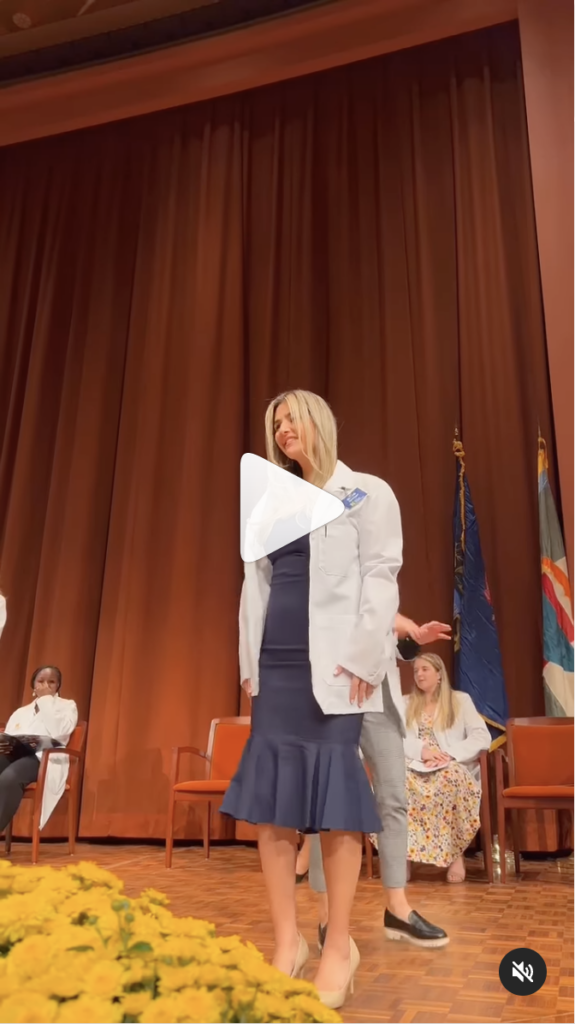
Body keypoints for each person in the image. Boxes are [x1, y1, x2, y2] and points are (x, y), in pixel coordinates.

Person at [222, 389, 402, 1009]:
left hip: (337, 669)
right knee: (273, 805)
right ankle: (287, 942)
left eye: (290, 418)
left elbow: (381, 576)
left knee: (336, 803)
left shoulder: (367, 492)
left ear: (318, 421)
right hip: (277, 666)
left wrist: (363, 656)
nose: (282, 430)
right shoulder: (273, 504)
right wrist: (251, 667)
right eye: (275, 424)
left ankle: (338, 946)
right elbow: (255, 586)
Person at [308, 615, 451, 950]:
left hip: (379, 694)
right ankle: (326, 914)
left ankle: (397, 906)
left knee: (394, 799)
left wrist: (411, 638)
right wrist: (395, 621)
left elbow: (386, 636)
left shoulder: (381, 566)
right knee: (326, 804)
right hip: (335, 690)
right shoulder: (327, 563)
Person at [404, 653, 490, 883]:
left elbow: (481, 736)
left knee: (448, 778)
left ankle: (455, 855)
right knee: (398, 782)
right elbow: (395, 738)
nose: (419, 674)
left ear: (439, 674)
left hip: (450, 765)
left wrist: (448, 755)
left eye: (425, 669)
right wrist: (421, 752)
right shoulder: (405, 703)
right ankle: (403, 857)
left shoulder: (460, 700)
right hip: (415, 764)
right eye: (416, 671)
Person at [0, 665, 78, 834]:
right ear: (33, 685)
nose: (45, 686)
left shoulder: (67, 706)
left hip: (43, 759)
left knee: (9, 778)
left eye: (51, 682)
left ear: (58, 686)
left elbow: (59, 732)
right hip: (15, 755)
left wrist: (45, 701)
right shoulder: (21, 712)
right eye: (41, 681)